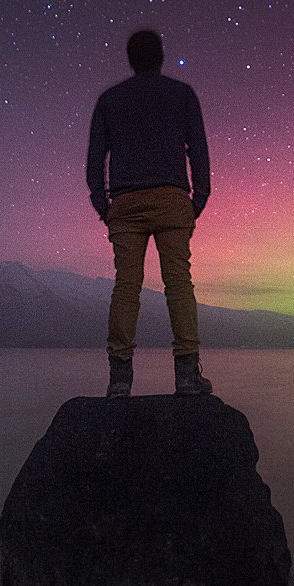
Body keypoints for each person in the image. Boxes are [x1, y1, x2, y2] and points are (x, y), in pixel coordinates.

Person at [86, 28, 212, 398]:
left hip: (125, 203)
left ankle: (119, 381)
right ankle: (187, 375)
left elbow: (96, 158)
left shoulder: (110, 100)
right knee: (179, 283)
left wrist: (102, 204)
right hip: (173, 199)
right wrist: (199, 197)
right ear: (160, 57)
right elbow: (199, 151)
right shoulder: (182, 94)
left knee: (126, 286)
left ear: (130, 59)